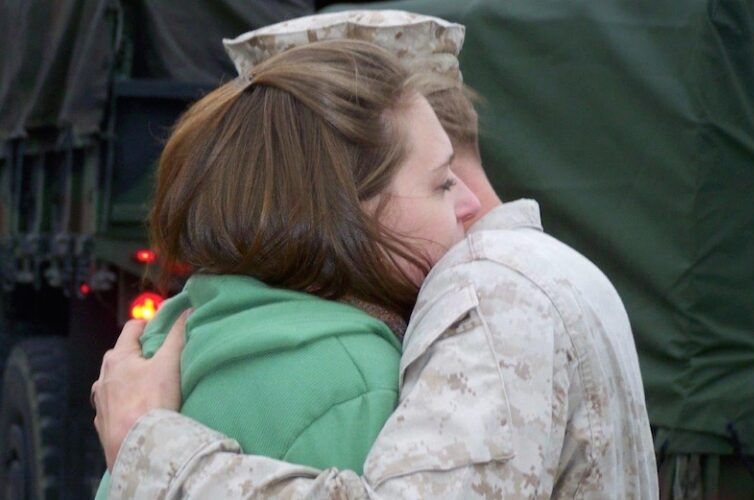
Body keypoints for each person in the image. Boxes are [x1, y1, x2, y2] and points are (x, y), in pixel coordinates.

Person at [92, 11, 659, 499]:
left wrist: (151, 441)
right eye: (440, 184)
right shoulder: (528, 274)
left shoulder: (489, 295)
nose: (464, 207)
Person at [92, 36, 481, 498]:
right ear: (349, 211)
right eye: (441, 183)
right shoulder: (354, 385)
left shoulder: (189, 329)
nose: (470, 203)